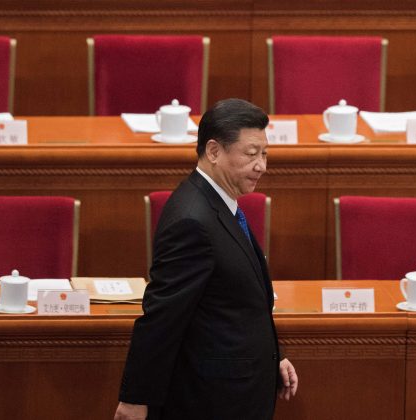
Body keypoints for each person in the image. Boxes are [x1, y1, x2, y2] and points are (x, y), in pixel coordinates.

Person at [114, 98, 298, 420]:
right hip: (211, 401)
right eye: (251, 154)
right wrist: (135, 399)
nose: (262, 166)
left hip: (237, 391)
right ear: (214, 152)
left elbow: (234, 302)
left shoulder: (220, 203)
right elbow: (161, 318)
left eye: (265, 154)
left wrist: (273, 357)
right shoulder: (192, 219)